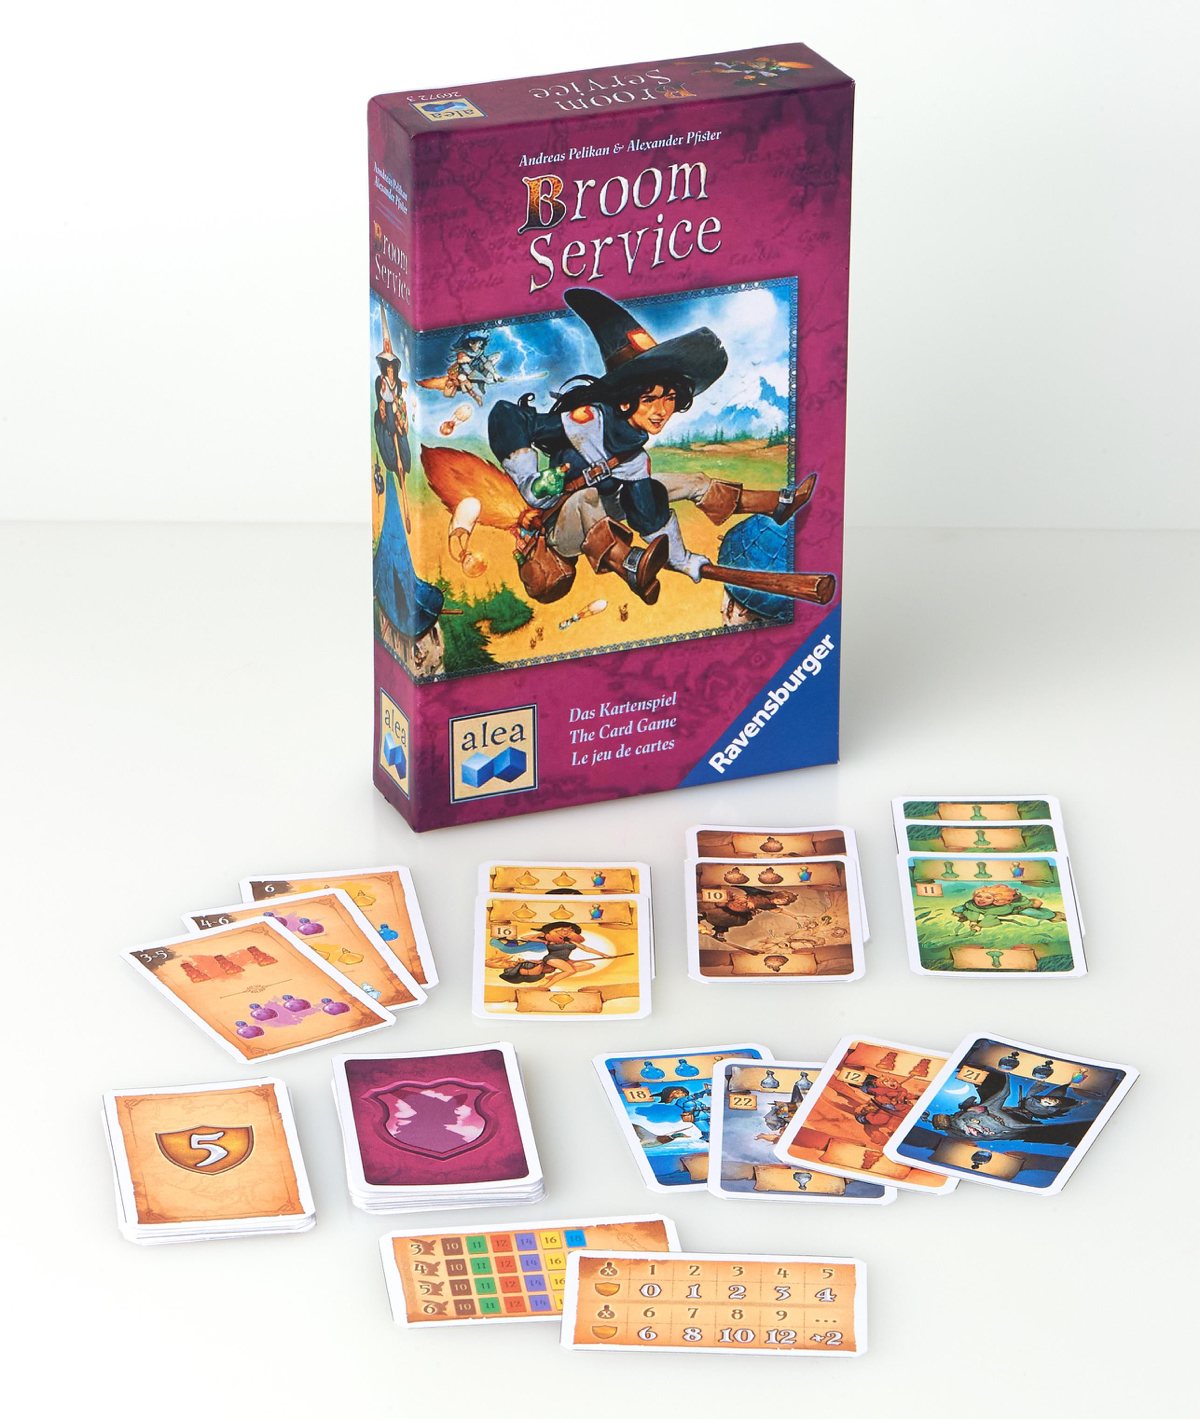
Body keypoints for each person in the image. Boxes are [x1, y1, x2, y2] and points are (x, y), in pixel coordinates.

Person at [488, 289, 815, 604]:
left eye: (669, 399)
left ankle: (778, 503)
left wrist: (683, 560)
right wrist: (530, 483)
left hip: (607, 506)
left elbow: (647, 515)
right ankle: (630, 567)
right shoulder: (586, 421)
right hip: (560, 531)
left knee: (688, 483)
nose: (661, 411)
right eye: (649, 400)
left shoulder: (634, 457)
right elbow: (506, 416)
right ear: (625, 400)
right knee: (587, 500)